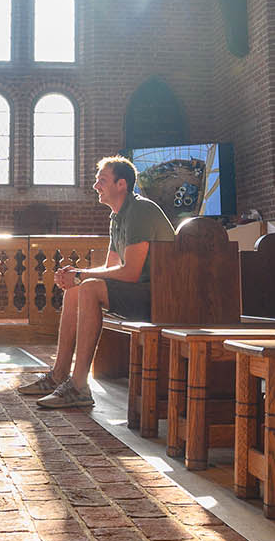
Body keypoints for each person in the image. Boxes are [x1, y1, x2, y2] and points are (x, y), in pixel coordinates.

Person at [20, 155, 175, 409]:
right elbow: (111, 268)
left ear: (121, 184)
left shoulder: (140, 210)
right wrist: (78, 274)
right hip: (138, 291)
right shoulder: (117, 216)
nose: (96, 186)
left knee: (87, 287)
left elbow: (132, 272)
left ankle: (79, 387)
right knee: (75, 292)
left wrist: (82, 275)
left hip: (162, 296)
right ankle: (59, 375)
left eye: (102, 180)